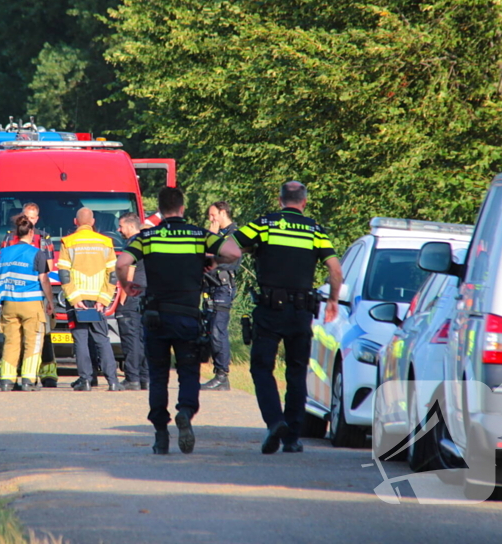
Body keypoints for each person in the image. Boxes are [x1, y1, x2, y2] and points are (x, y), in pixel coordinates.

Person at [117, 187, 242, 454]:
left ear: (160, 210)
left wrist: (126, 286)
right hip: (187, 317)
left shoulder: (147, 236)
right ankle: (185, 410)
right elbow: (235, 253)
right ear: (182, 209)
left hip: (155, 317)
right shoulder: (199, 235)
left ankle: (161, 434)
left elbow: (122, 262)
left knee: (159, 376)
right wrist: (212, 262)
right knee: (188, 372)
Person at [233, 181, 342, 454]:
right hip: (302, 311)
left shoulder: (264, 225)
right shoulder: (315, 230)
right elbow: (335, 268)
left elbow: (230, 248)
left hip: (270, 310)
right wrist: (333, 300)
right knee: (296, 373)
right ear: (303, 202)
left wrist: (251, 250)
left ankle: (274, 421)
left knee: (262, 368)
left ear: (280, 200)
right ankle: (292, 438)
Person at [59, 207, 122, 392]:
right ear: (93, 222)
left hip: (78, 301)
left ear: (75, 221)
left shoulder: (68, 242)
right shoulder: (105, 242)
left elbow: (64, 274)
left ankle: (85, 380)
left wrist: (74, 298)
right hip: (98, 300)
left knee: (80, 339)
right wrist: (103, 300)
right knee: (102, 339)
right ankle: (112, 381)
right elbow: (112, 274)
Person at [4, 202, 60, 387]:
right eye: (27, 216)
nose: (30, 220)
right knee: (27, 338)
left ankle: (47, 373)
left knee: (43, 335)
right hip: (30, 295)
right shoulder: (10, 237)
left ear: (37, 218)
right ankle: (27, 377)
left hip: (29, 294)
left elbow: (50, 268)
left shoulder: (44, 238)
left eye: (33, 217)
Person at [201, 201, 241, 391]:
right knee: (211, 331)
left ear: (223, 213)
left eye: (213, 215)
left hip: (223, 288)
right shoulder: (218, 235)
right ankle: (218, 372)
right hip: (211, 287)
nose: (210, 219)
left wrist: (213, 237)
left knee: (218, 331)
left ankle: (222, 376)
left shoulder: (233, 235)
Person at [116, 212, 148, 391]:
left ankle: (132, 378)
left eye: (121, 226)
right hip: (147, 292)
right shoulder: (148, 241)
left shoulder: (133, 243)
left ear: (130, 226)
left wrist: (122, 298)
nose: (119, 230)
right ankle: (145, 378)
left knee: (131, 337)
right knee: (144, 337)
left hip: (133, 293)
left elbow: (128, 270)